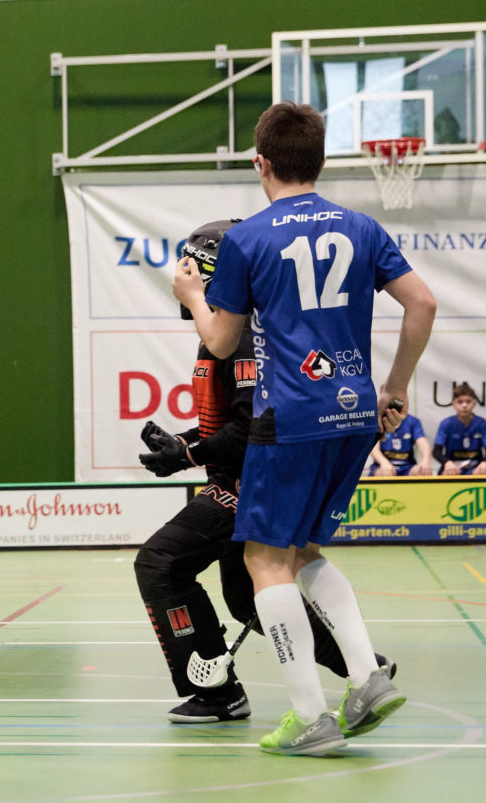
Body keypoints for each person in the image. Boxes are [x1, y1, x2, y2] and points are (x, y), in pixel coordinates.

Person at [172, 100, 436, 756]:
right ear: (318, 160)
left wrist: (191, 296)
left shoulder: (249, 239)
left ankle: (309, 715)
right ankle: (368, 678)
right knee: (306, 552)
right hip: (354, 416)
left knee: (263, 559)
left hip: (288, 417)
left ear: (260, 162)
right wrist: (396, 384)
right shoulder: (362, 227)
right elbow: (423, 302)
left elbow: (224, 340)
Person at [135, 220, 392, 725]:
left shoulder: (240, 338)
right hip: (242, 475)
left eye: (190, 266)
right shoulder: (225, 334)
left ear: (210, 274)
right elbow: (234, 421)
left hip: (250, 483)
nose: (179, 276)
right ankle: (366, 668)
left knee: (161, 563)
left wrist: (190, 455)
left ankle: (218, 695)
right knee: (244, 595)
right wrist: (184, 445)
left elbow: (251, 427)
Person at [433, 383, 486, 475]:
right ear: (453, 404)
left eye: (468, 401)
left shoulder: (481, 423)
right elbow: (436, 450)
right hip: (453, 468)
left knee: (484, 472)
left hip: (475, 468)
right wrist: (447, 463)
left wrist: (485, 463)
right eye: (460, 402)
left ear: (474, 403)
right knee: (448, 473)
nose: (464, 405)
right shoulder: (447, 423)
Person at [365, 413, 432, 476]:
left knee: (421, 471)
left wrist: (425, 461)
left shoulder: (412, 421)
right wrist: (383, 463)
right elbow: (373, 447)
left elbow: (422, 441)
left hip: (407, 466)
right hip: (381, 465)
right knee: (384, 473)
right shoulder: (379, 420)